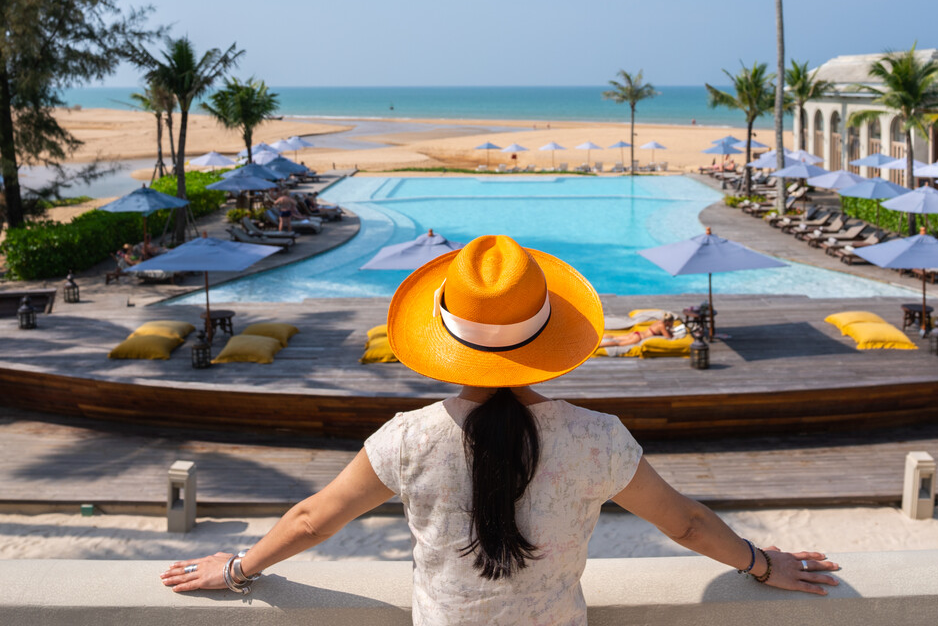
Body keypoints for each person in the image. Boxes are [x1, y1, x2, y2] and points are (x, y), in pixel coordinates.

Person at [160, 235, 839, 622]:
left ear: (443, 339)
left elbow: (314, 520)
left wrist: (237, 569)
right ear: (548, 337)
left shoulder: (408, 438)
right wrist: (763, 564)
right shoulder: (597, 438)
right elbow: (684, 524)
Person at [600, 313, 675, 348]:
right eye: (672, 322)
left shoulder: (659, 322)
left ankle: (600, 336)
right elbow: (668, 337)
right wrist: (671, 333)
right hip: (638, 338)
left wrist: (668, 330)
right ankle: (600, 346)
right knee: (619, 344)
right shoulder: (662, 326)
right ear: (668, 322)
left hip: (636, 334)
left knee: (614, 337)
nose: (672, 324)